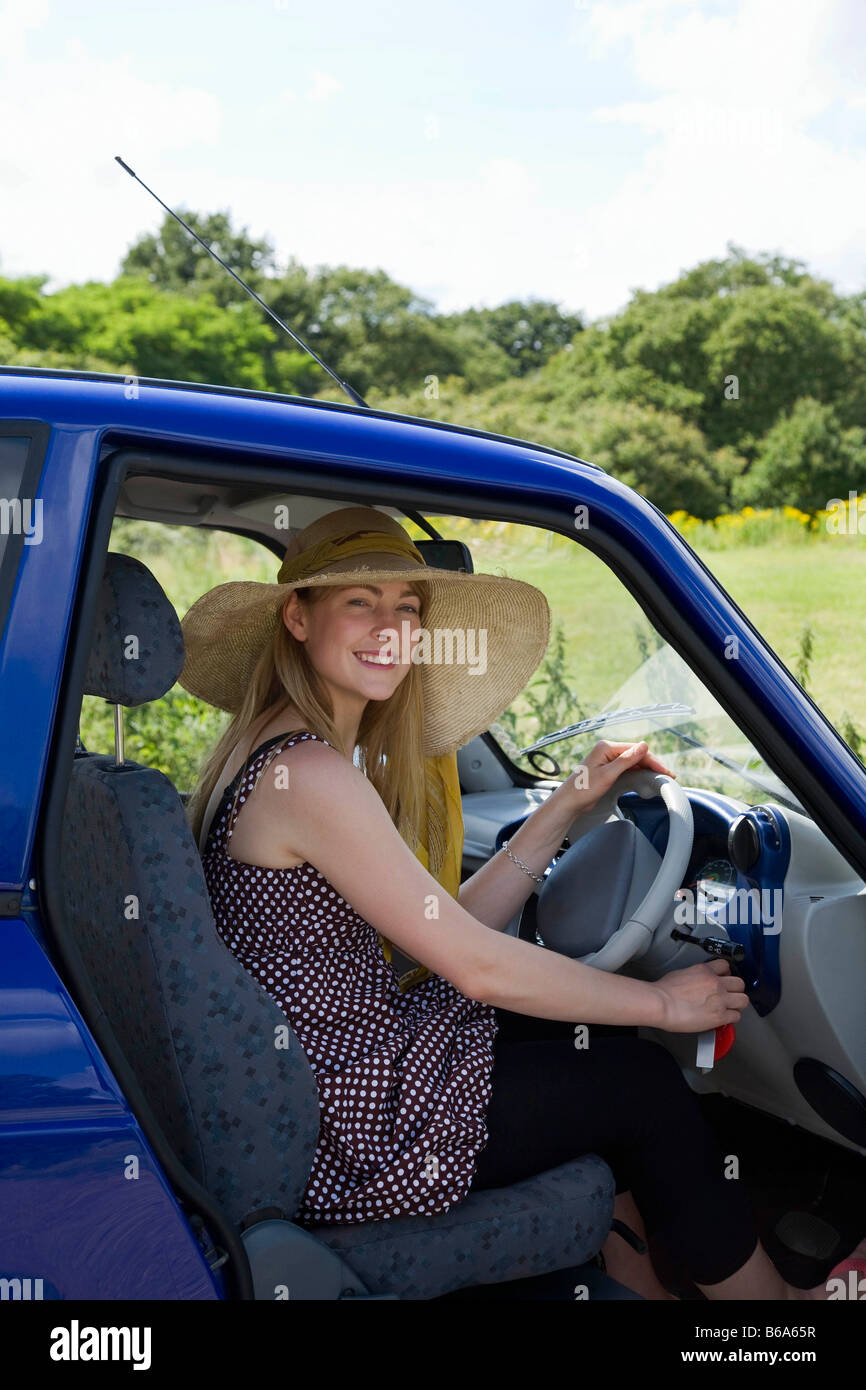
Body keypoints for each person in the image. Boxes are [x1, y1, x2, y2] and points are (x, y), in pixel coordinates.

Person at [180, 505, 865, 1301]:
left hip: (329, 1081)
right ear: (297, 617)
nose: (390, 626)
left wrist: (565, 804)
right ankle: (773, 1316)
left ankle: (639, 1278)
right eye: (359, 602)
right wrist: (663, 1002)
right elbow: (475, 966)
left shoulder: (281, 750)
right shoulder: (314, 776)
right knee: (638, 1078)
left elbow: (446, 934)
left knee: (567, 1035)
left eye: (408, 607)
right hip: (358, 1126)